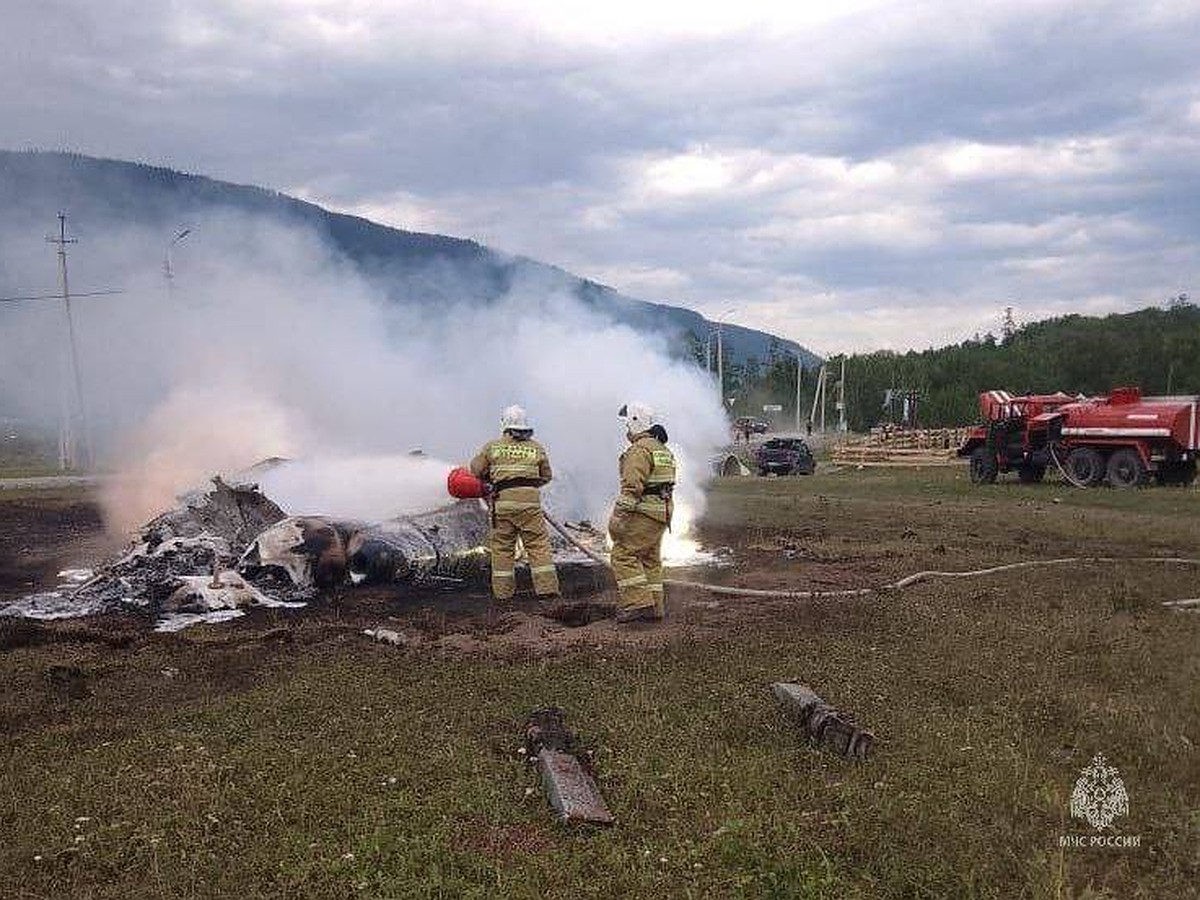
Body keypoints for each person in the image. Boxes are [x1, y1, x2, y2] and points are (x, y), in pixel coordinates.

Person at [469, 405, 559, 601]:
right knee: (538, 546)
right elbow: (547, 476)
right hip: (531, 506)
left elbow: (475, 470)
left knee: (502, 548)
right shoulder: (536, 448)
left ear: (505, 426)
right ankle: (547, 590)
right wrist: (527, 488)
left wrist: (494, 479)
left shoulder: (493, 447)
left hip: (503, 504)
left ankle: (503, 595)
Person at [608, 401, 676, 624]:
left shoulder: (639, 450)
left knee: (623, 554)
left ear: (635, 423)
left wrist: (619, 517)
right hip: (661, 512)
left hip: (645, 512)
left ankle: (638, 603)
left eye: (627, 425)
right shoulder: (662, 449)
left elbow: (632, 488)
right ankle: (655, 608)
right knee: (649, 559)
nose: (626, 431)